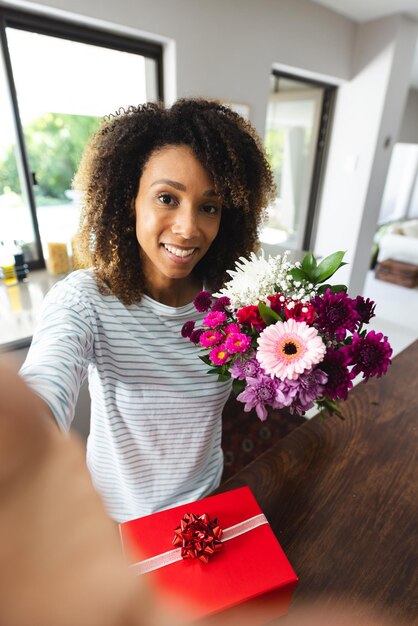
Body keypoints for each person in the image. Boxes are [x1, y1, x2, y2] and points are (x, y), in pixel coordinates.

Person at [19, 98, 274, 524]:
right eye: (167, 198)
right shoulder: (86, 300)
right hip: (120, 521)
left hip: (208, 501)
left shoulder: (234, 304)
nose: (189, 227)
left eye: (208, 207)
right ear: (128, 201)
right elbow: (45, 385)